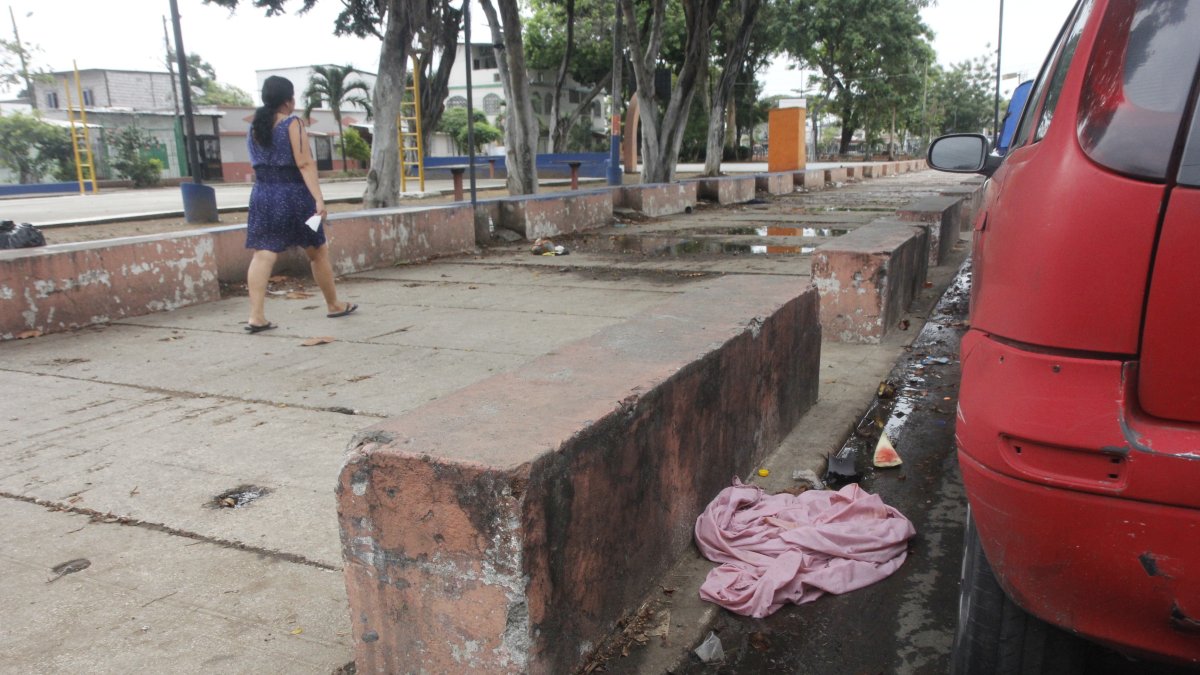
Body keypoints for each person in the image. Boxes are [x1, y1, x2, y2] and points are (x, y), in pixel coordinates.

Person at [244, 75, 357, 332]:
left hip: (262, 195)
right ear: (288, 100)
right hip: (295, 195)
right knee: (317, 251)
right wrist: (318, 198)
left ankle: (256, 316)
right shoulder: (292, 123)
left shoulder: (254, 127)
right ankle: (333, 304)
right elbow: (305, 163)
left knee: (263, 254)